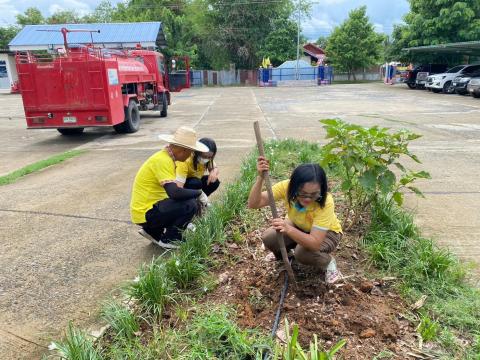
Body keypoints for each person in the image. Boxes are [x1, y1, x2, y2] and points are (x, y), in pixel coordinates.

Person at [247, 158, 343, 284]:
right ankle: (285, 255)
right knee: (269, 237)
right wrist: (260, 178)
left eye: (314, 194)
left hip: (328, 233)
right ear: (293, 186)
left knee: (302, 253)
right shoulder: (286, 187)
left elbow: (314, 243)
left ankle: (328, 262)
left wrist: (288, 229)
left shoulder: (325, 202)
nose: (308, 199)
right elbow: (254, 203)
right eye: (302, 193)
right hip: (299, 225)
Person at [130, 126, 209, 249]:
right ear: (183, 150)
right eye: (190, 152)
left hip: (146, 210)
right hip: (146, 212)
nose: (189, 156)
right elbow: (174, 193)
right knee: (190, 204)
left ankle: (152, 232)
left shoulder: (166, 157)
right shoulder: (164, 161)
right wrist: (198, 193)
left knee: (185, 201)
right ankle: (171, 239)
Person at [175, 137, 220, 202]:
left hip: (196, 185)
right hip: (183, 186)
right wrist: (201, 195)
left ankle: (199, 202)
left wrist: (213, 172)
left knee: (214, 182)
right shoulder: (185, 160)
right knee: (195, 183)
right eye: (204, 156)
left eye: (209, 157)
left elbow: (214, 168)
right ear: (197, 152)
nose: (206, 159)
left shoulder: (208, 159)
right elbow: (178, 187)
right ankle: (192, 202)